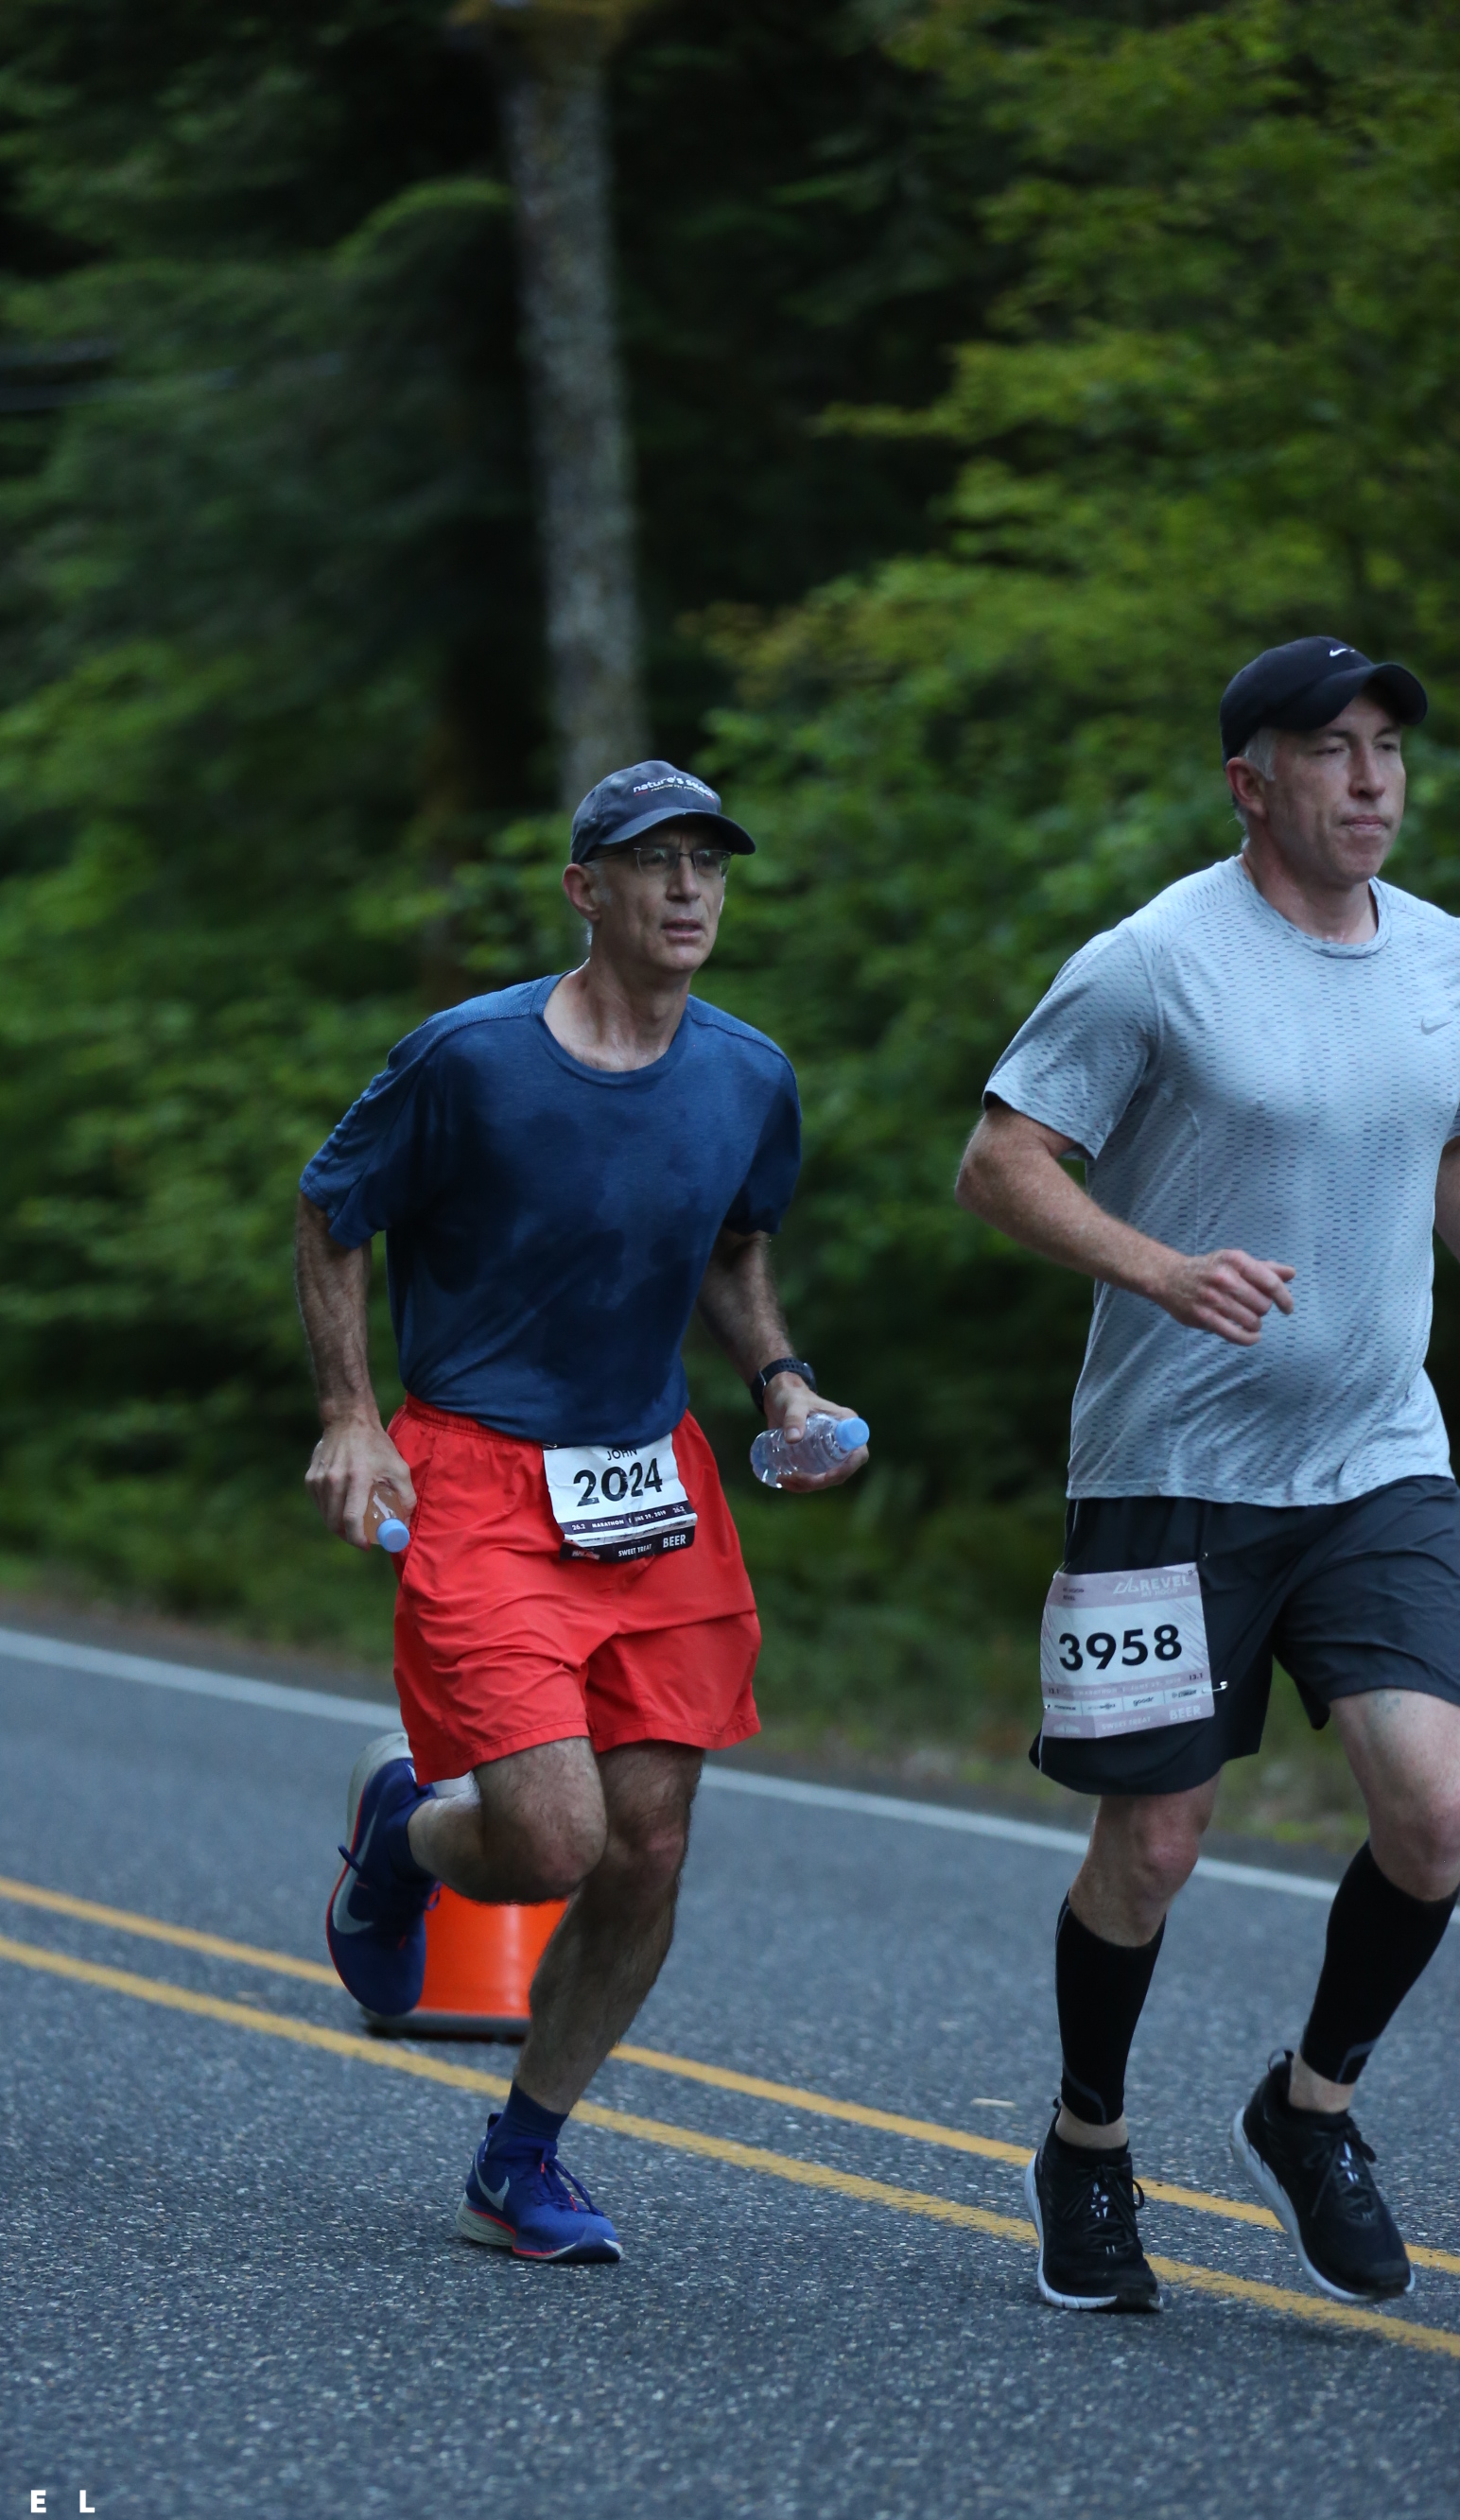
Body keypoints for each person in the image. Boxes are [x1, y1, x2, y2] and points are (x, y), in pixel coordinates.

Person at [295, 759, 865, 2262]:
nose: (688, 888)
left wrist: (783, 1387)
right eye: (655, 861)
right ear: (584, 889)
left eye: (709, 863)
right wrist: (352, 1415)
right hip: (480, 1473)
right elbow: (332, 1209)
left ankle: (522, 2156)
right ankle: (405, 1835)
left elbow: (734, 1249)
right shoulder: (469, 1059)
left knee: (650, 1844)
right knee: (554, 1840)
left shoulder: (748, 1075)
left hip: (651, 1479)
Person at [956, 636, 1460, 2313]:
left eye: (1389, 745)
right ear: (1251, 782)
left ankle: (1309, 2108)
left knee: (1438, 1818)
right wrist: (1160, 1268)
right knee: (1155, 1844)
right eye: (1331, 748)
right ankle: (1087, 2143)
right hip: (1171, 1466)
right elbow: (1000, 1163)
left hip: (1378, 1454)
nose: (1372, 778)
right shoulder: (1154, 961)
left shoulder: (1447, 960)